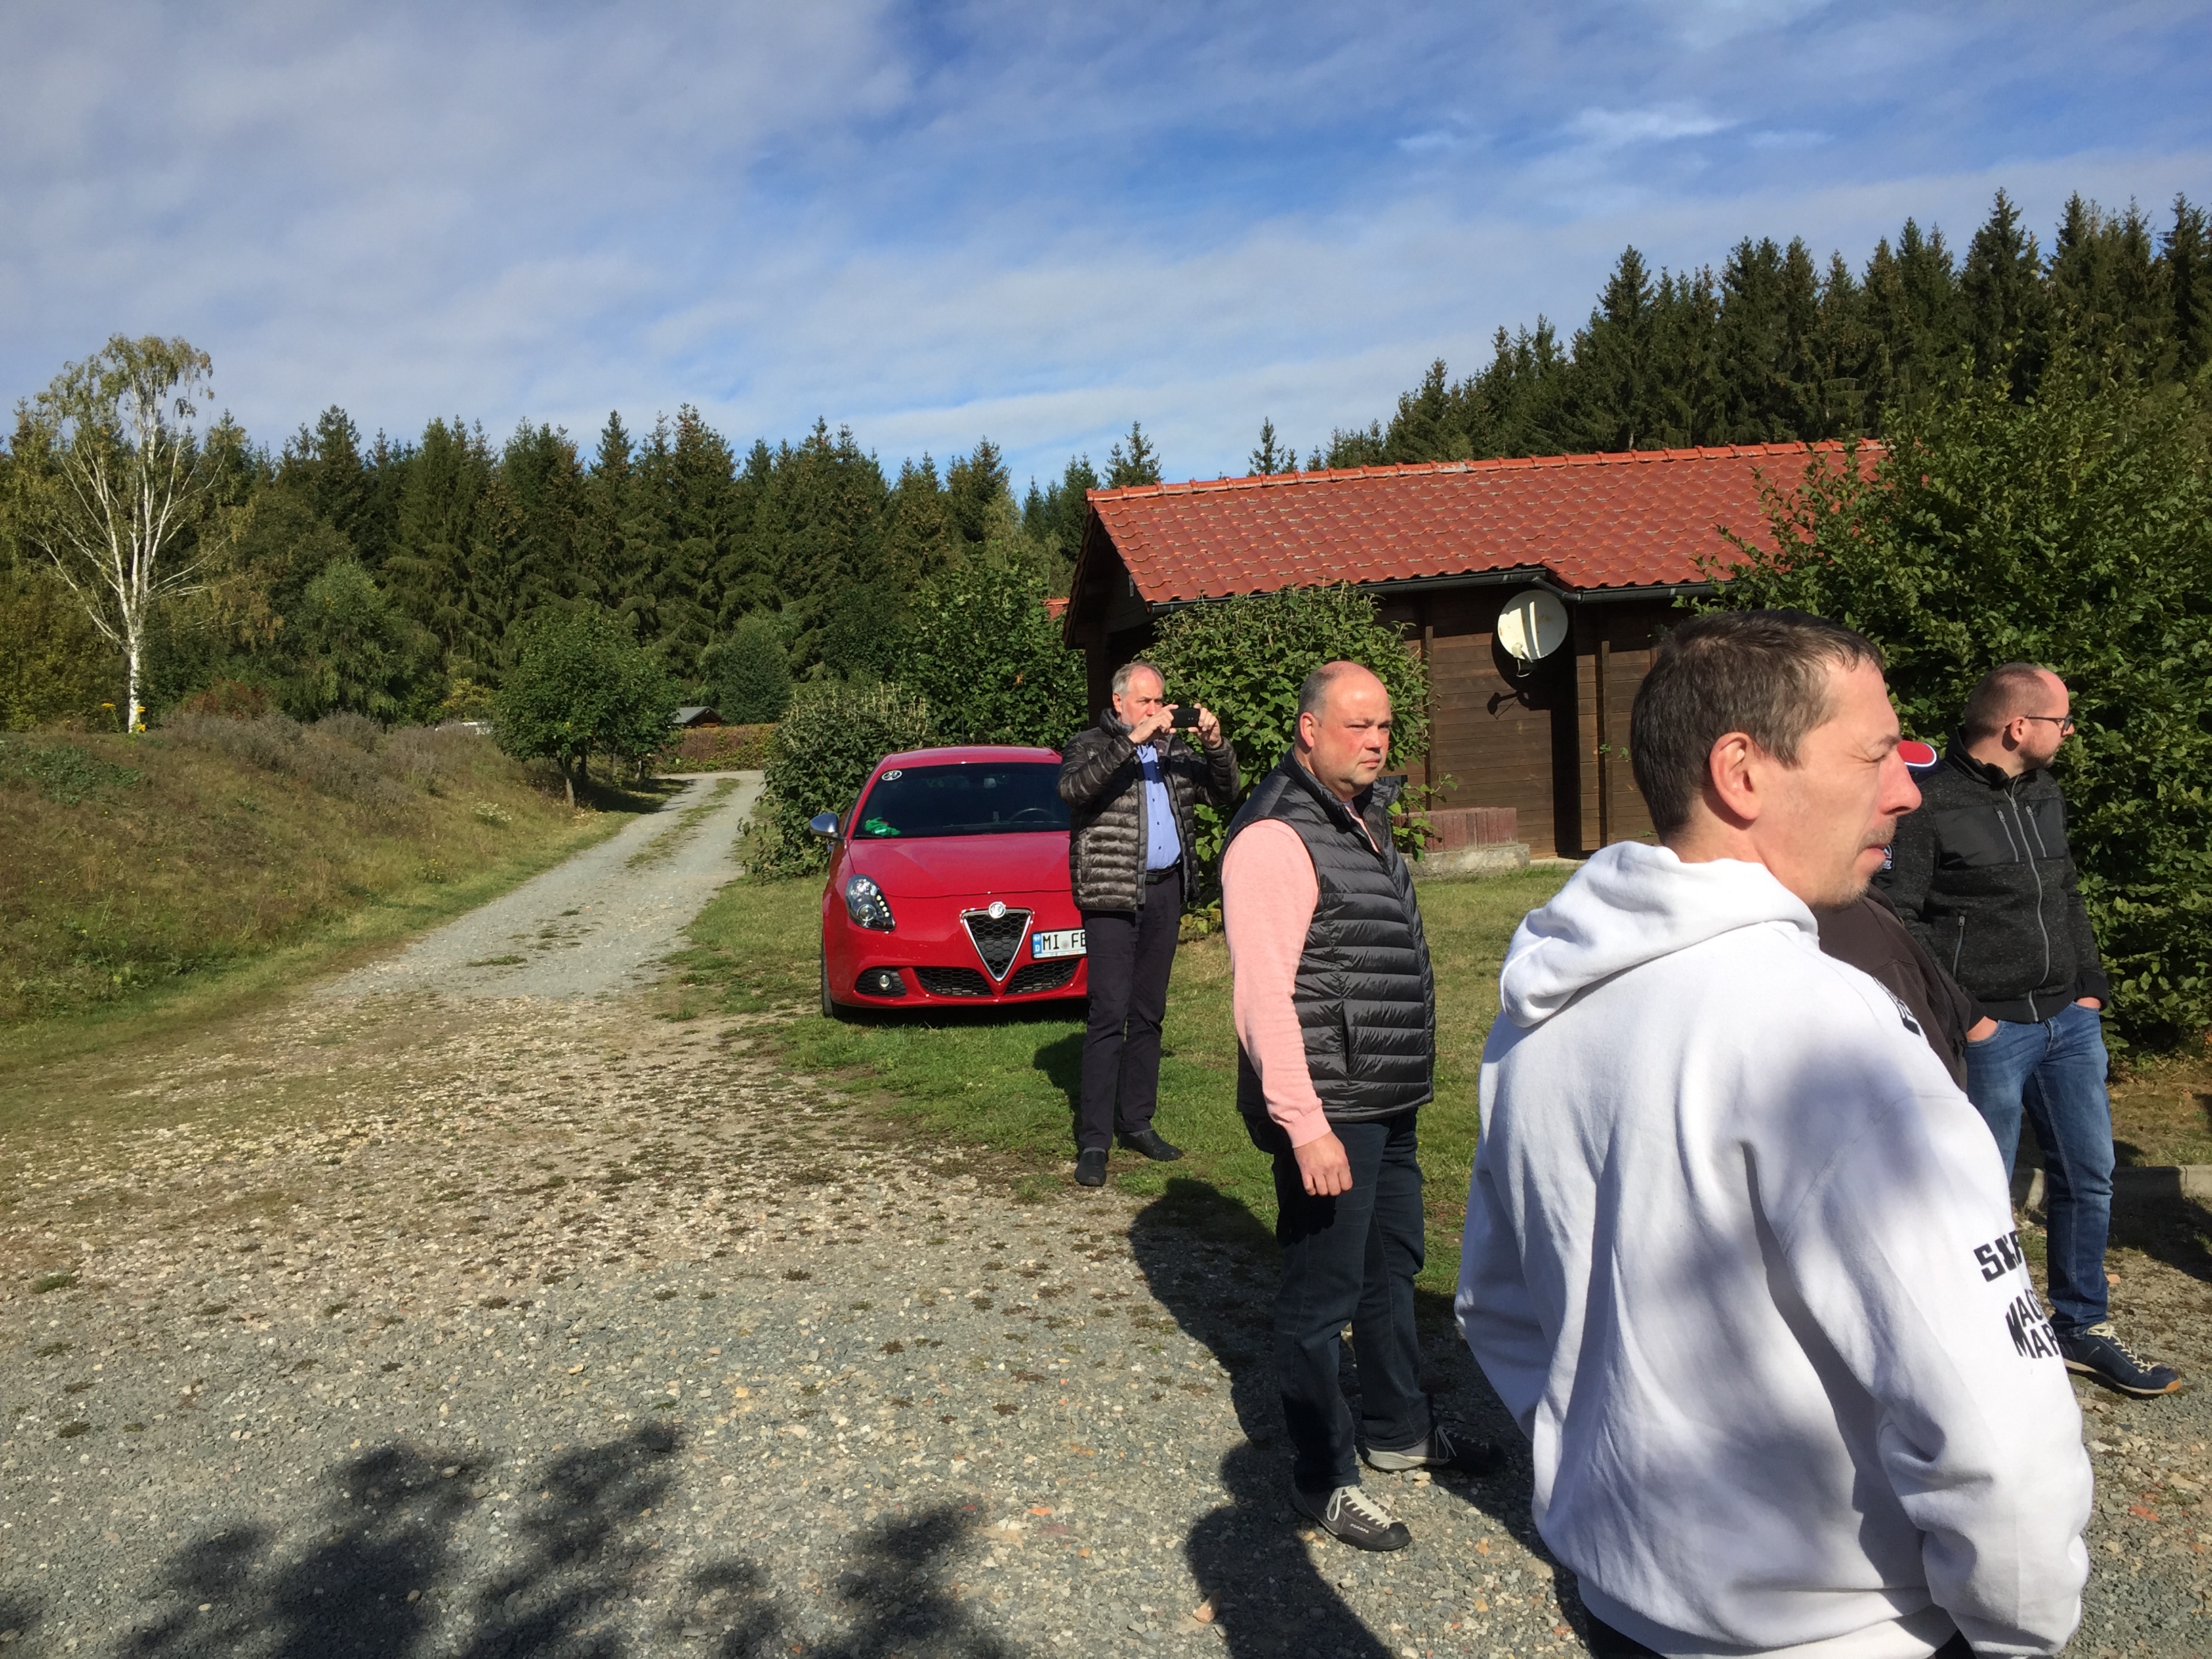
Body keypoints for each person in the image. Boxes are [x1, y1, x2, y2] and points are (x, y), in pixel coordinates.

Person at [1459, 611, 2091, 1658]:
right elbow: (1997, 1428)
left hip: (1624, 1611)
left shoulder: (1539, 1018)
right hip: (1850, 1633)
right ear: (1743, 772)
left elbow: (1500, 1311)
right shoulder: (1832, 1038)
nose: (1906, 790)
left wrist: (1616, 1493)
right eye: (1876, 755)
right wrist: (2018, 1631)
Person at [1222, 660, 1498, 1554]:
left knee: (1391, 1271)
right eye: (1358, 726)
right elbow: (1263, 997)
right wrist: (1305, 1126)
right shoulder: (1277, 835)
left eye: (1384, 726)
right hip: (1331, 1108)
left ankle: (1398, 1429)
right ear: (1309, 730)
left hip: (1385, 1095)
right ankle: (1322, 1474)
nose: (1377, 742)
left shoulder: (1358, 816)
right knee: (1321, 1298)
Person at [1878, 663, 2182, 1399]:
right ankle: (1982, 1342)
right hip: (1991, 1034)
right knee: (1977, 1193)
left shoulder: (2043, 791)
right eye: (2062, 721)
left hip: (2068, 1023)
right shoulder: (1928, 803)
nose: (2069, 732)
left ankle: (2081, 1326)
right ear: (2019, 726)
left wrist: (2091, 988)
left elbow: (2065, 891)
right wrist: (1968, 1015)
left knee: (2089, 1177)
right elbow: (1900, 917)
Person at [1057, 660, 1238, 1188]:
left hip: (1164, 891)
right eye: (1146, 702)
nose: (1157, 711)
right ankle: (1095, 1140)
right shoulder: (1090, 745)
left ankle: (1137, 1121)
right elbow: (1074, 791)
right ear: (1120, 703)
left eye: (1160, 701)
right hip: (1111, 895)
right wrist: (1131, 742)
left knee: (1149, 1013)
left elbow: (1224, 791)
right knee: (1108, 1014)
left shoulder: (1173, 750)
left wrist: (1215, 744)